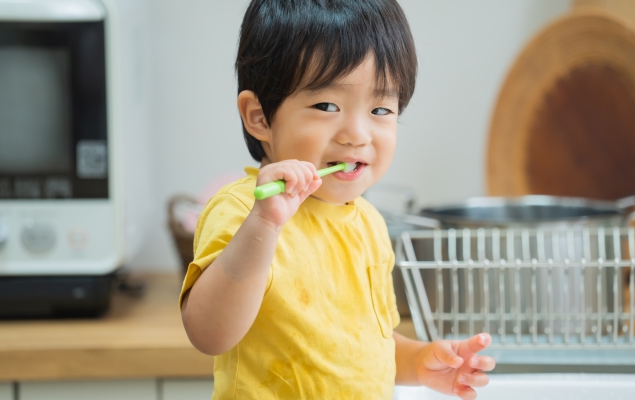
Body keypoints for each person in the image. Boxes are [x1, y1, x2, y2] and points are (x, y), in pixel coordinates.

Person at [179, 0, 495, 398]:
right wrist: (265, 225)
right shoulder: (245, 211)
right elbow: (209, 333)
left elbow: (363, 347)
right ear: (259, 116)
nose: (357, 134)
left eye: (381, 109)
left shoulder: (368, 224)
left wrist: (420, 361)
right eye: (327, 105)